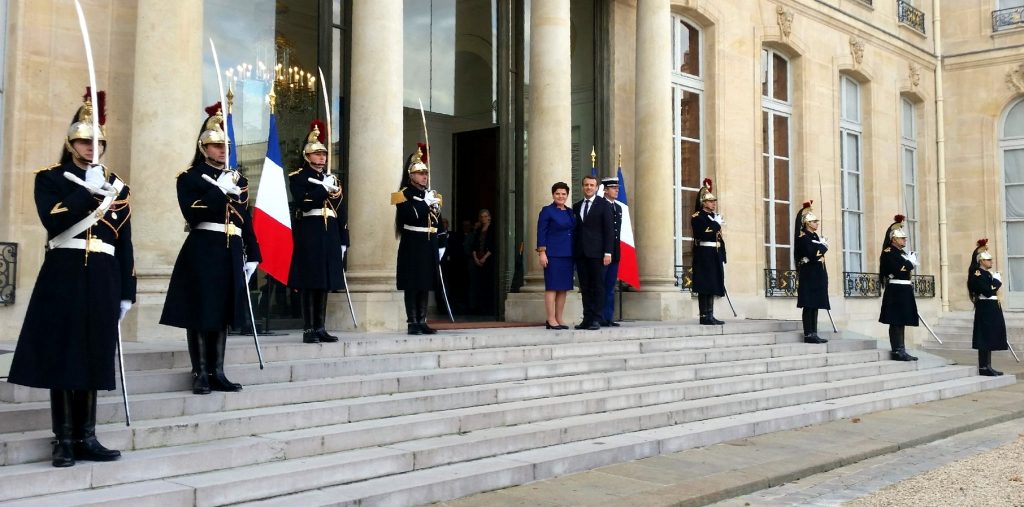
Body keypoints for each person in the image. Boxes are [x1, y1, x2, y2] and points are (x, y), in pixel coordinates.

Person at [8, 89, 134, 467]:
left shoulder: (118, 187)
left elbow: (125, 242)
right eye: (84, 140)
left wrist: (127, 290)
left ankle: (87, 436)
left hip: (103, 276)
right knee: (64, 354)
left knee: (94, 353)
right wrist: (86, 192)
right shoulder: (50, 179)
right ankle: (63, 438)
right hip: (63, 273)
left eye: (97, 141)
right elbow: (54, 220)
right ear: (71, 142)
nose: (91, 147)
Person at [161, 103, 262, 393]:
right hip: (203, 247)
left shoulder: (238, 179)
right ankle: (200, 371)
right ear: (203, 148)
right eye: (216, 145)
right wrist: (219, 191)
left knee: (222, 312)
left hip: (231, 248)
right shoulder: (189, 178)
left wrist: (253, 253)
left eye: (224, 145)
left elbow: (247, 219)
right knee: (200, 310)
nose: (221, 150)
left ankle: (218, 370)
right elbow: (194, 213)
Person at [287, 120, 345, 344]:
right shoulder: (298, 177)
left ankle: (320, 326)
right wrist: (323, 188)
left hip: (329, 231)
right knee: (310, 281)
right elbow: (305, 202)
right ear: (307, 155)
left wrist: (343, 237)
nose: (322, 157)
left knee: (324, 281)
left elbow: (340, 210)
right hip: (310, 231)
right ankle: (308, 328)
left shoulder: (331, 179)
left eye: (323, 154)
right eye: (317, 154)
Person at [393, 144, 446, 335]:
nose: (425, 176)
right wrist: (426, 203)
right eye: (420, 172)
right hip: (413, 241)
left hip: (428, 242)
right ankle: (412, 322)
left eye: (426, 173)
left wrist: (442, 242)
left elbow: (438, 222)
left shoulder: (431, 195)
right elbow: (411, 215)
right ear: (411, 175)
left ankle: (422, 320)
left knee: (425, 283)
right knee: (413, 283)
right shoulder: (401, 195)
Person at [572, 175, 614, 330]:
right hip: (581, 253)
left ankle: (596, 318)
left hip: (598, 253)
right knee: (585, 287)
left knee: (598, 286)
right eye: (586, 185)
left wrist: (608, 252)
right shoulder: (576, 207)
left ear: (596, 187)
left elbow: (609, 231)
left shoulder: (604, 205)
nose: (589, 187)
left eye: (591, 185)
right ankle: (587, 318)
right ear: (582, 187)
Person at [878, 215, 919, 361]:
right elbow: (896, 270)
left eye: (905, 238)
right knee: (896, 321)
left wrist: (908, 262)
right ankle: (897, 350)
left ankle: (901, 348)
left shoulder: (902, 253)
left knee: (902, 321)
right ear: (894, 239)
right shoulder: (889, 252)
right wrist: (909, 264)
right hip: (895, 290)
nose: (904, 240)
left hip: (904, 289)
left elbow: (904, 270)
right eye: (902, 238)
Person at [537, 181, 575, 329]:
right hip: (552, 255)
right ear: (553, 195)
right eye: (558, 193)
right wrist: (542, 252)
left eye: (563, 194)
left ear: (567, 195)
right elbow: (541, 232)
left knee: (563, 288)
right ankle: (550, 319)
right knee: (552, 287)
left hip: (568, 254)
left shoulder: (570, 212)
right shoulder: (547, 211)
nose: (561, 196)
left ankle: (559, 318)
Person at [967, 239, 1008, 376]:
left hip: (991, 307)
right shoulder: (977, 274)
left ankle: (988, 365)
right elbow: (987, 291)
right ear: (981, 261)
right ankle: (983, 367)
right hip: (985, 308)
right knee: (984, 336)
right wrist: (996, 282)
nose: (991, 261)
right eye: (988, 260)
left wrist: (994, 281)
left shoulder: (986, 274)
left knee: (990, 335)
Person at [691, 178, 726, 325]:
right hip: (704, 253)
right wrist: (716, 224)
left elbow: (718, 238)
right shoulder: (697, 217)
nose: (713, 203)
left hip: (713, 254)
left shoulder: (713, 217)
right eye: (711, 201)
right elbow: (704, 234)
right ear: (704, 203)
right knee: (704, 285)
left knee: (712, 283)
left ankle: (710, 314)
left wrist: (722, 254)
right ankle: (704, 316)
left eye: (714, 201)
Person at [794, 201, 829, 344]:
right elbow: (813, 254)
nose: (817, 224)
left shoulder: (815, 237)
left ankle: (814, 332)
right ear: (808, 223)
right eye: (814, 222)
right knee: (809, 305)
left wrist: (820, 246)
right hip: (808, 274)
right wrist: (823, 247)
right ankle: (808, 333)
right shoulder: (804, 237)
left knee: (815, 305)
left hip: (817, 273)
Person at [600, 176, 623, 327]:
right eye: (613, 188)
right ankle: (600, 316)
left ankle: (608, 317)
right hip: (603, 253)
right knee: (600, 285)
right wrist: (605, 252)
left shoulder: (618, 207)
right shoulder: (600, 206)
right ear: (606, 190)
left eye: (617, 188)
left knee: (610, 286)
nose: (616, 191)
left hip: (615, 252)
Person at [468, 208, 496, 315]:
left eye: (485, 216)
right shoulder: (478, 230)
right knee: (478, 285)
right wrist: (475, 258)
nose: (483, 218)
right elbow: (474, 245)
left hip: (488, 261)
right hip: (478, 260)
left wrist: (484, 258)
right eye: (482, 216)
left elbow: (493, 246)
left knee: (487, 285)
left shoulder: (492, 229)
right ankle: (479, 308)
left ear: (489, 217)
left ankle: (488, 309)